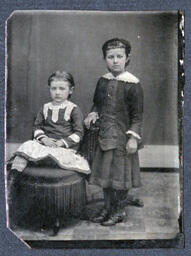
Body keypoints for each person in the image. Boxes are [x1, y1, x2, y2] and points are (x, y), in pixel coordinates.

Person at [84, 38, 144, 226]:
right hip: (104, 137)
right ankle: (108, 207)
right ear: (105, 59)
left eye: (119, 56)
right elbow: (97, 103)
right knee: (106, 176)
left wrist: (133, 138)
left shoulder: (133, 84)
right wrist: (93, 113)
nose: (115, 61)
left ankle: (118, 210)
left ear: (127, 58)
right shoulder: (103, 81)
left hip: (122, 140)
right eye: (111, 57)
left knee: (120, 177)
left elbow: (137, 116)